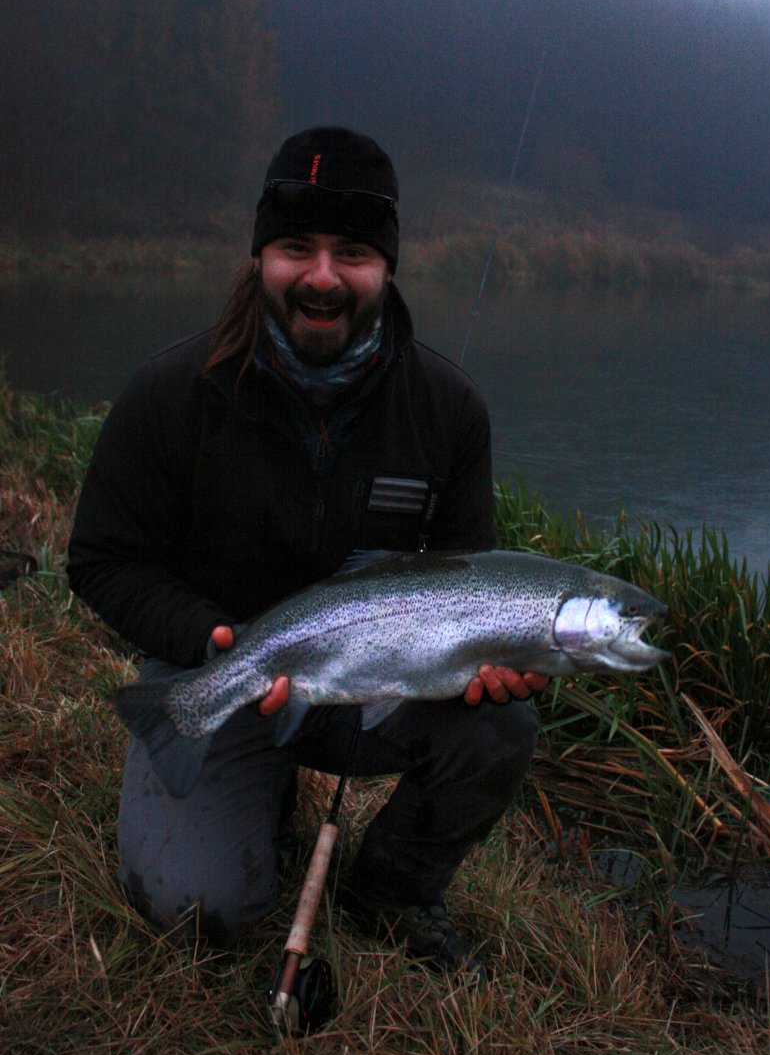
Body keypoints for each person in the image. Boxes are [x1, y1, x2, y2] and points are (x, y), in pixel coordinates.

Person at [68, 127, 544, 978]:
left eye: (352, 253)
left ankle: (392, 892)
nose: (322, 276)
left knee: (499, 724)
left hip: (369, 685)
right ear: (260, 256)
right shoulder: (170, 394)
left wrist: (493, 662)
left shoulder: (450, 410)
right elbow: (101, 560)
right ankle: (254, 790)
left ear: (386, 266)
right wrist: (210, 638)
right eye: (297, 248)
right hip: (220, 671)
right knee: (197, 912)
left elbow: (467, 580)